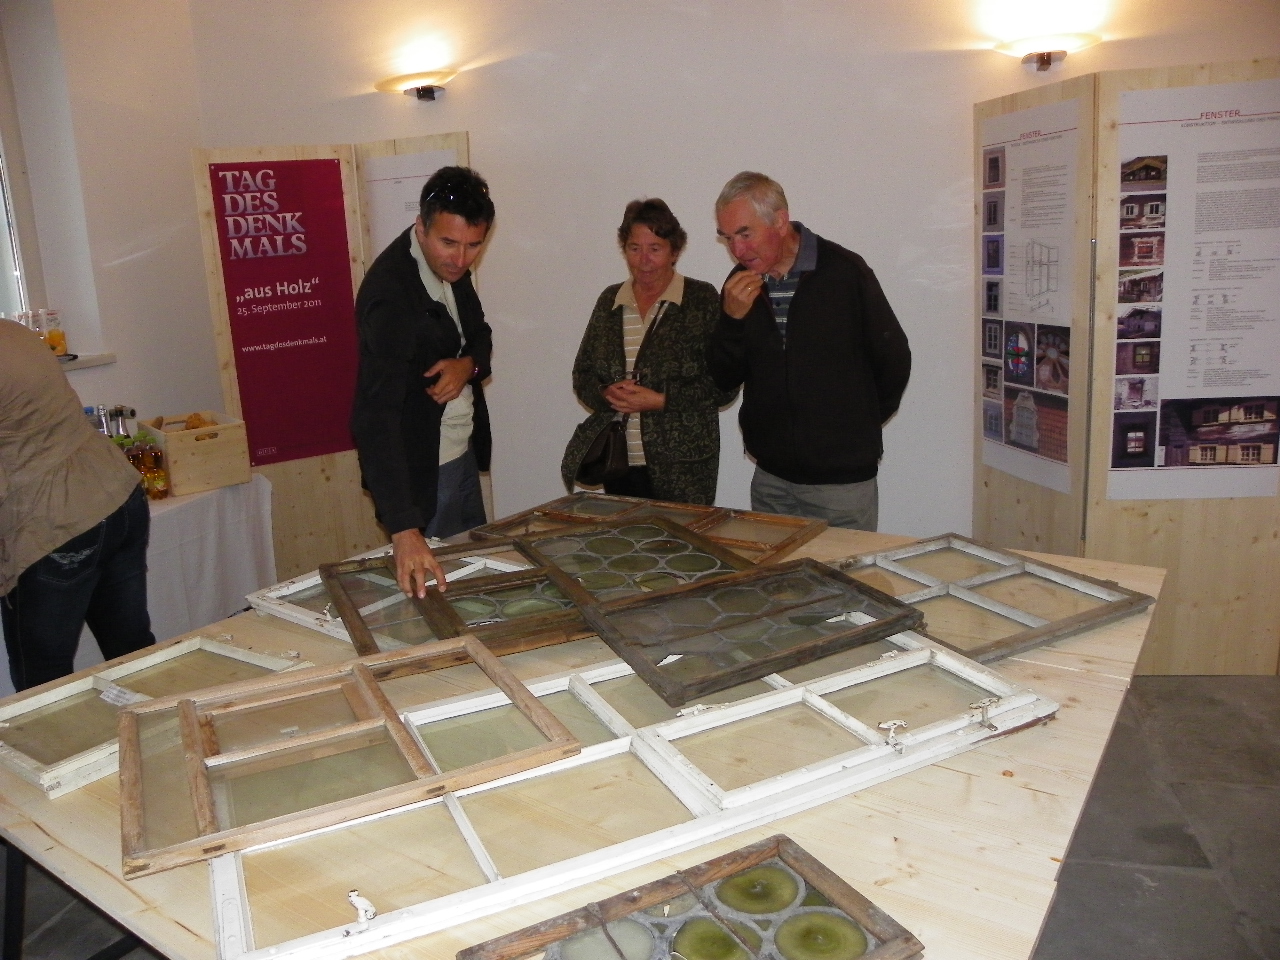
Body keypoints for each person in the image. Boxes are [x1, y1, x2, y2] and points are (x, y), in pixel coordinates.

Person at [707, 172, 911, 531]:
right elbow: (722, 379)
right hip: (771, 478)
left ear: (780, 221)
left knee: (844, 569)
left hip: (841, 484)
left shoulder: (844, 272)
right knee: (775, 569)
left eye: (745, 234)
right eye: (728, 238)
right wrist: (732, 320)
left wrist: (853, 426)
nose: (737, 251)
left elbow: (894, 358)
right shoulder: (739, 285)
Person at [350, 166, 495, 598]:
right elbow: (374, 418)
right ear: (421, 227)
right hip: (422, 474)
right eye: (449, 243)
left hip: (460, 453)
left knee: (475, 580)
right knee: (436, 597)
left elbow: (480, 334)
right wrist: (403, 528)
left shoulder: (449, 267)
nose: (461, 259)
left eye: (473, 245)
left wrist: (467, 366)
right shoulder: (390, 298)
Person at [0, 320, 155, 690]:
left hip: (55, 521)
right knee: (133, 653)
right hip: (114, 490)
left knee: (43, 682)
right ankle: (163, 722)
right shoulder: (12, 331)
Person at [562, 199, 734, 504]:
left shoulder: (701, 299)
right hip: (619, 462)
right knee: (626, 535)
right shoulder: (610, 301)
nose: (644, 260)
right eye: (634, 248)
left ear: (674, 251)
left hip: (684, 467)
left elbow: (724, 386)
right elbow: (583, 374)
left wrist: (661, 400)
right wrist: (605, 394)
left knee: (682, 536)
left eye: (655, 248)